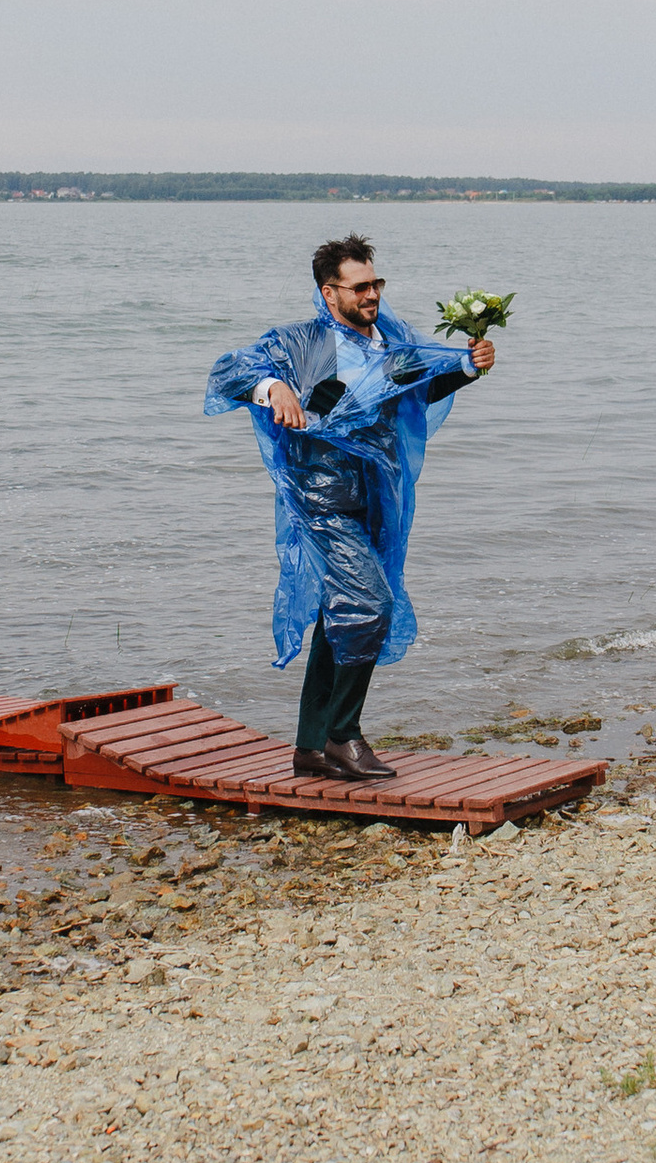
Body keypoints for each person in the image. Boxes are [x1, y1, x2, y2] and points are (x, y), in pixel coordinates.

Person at [206, 237, 496, 781]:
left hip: (379, 494)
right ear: (329, 291)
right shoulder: (300, 340)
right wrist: (273, 388)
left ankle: (310, 748)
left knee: (338, 610)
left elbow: (417, 390)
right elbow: (230, 371)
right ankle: (344, 736)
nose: (372, 295)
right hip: (322, 500)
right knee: (370, 604)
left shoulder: (394, 338)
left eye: (376, 284)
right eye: (360, 287)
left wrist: (469, 367)